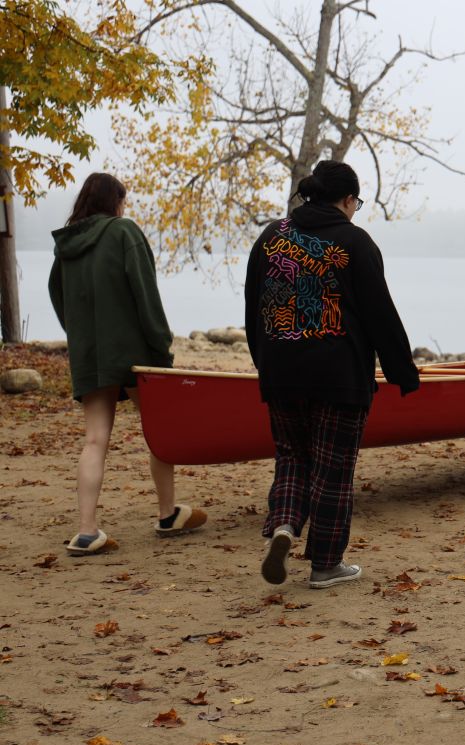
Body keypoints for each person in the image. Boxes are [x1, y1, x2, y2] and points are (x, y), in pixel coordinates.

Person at [245, 160, 420, 589]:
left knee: (292, 456)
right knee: (333, 469)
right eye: (356, 202)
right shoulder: (355, 241)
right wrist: (402, 371)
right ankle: (325, 564)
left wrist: (264, 362)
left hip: (281, 370)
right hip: (339, 375)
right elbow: (379, 312)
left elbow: (253, 307)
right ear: (346, 200)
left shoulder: (271, 237)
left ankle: (284, 526)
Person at [49, 173, 207, 555]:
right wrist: (161, 348)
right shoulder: (124, 232)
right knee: (158, 430)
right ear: (114, 201)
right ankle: (168, 514)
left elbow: (59, 298)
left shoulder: (65, 246)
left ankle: (87, 531)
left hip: (91, 355)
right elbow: (145, 293)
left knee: (94, 439)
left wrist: (81, 338)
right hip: (134, 354)